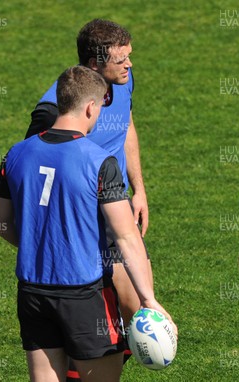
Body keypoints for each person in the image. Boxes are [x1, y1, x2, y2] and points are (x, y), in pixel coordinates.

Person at [0, 66, 174, 382]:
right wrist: (148, 300)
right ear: (90, 107)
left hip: (33, 294)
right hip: (84, 296)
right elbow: (127, 236)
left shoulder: (16, 154)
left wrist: (36, 245)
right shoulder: (99, 161)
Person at [25, 19, 150, 379]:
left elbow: (126, 125)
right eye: (121, 60)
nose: (129, 65)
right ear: (94, 65)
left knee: (135, 309)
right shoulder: (51, 111)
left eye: (130, 57)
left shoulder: (122, 81)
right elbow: (35, 163)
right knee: (92, 310)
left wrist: (138, 188)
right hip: (78, 217)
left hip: (116, 203)